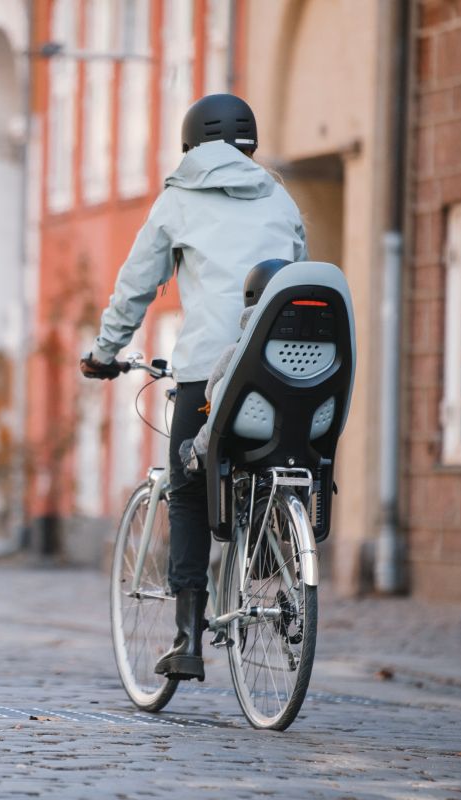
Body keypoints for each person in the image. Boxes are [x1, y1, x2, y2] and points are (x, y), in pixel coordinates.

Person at [80, 94, 308, 681]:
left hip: (209, 371)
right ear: (250, 144)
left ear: (191, 144)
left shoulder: (178, 200)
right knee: (274, 462)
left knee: (185, 489)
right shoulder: (280, 199)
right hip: (282, 368)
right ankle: (280, 564)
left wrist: (104, 352)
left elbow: (135, 286)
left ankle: (186, 639)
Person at [179, 258, 292, 475]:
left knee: (193, 447)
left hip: (248, 427)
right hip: (300, 430)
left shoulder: (241, 349)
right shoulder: (320, 346)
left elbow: (211, 391)